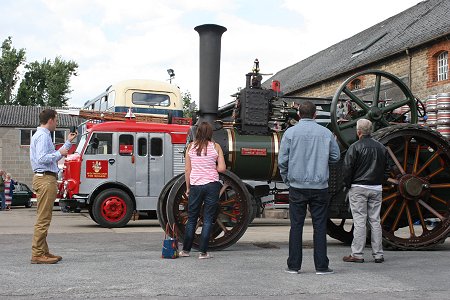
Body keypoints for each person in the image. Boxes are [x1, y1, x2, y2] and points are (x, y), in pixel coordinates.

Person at [278, 101, 340, 275]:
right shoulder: (326, 133)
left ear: (298, 114)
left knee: (296, 226)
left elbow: (282, 161)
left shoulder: (290, 133)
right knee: (319, 226)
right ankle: (321, 266)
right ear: (315, 115)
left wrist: (287, 179)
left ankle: (293, 266)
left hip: (297, 186)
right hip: (320, 186)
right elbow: (335, 157)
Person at [30, 109, 77, 264]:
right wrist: (60, 153)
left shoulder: (41, 135)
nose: (57, 123)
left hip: (43, 178)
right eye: (56, 120)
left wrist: (67, 144)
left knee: (44, 217)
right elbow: (43, 158)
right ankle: (37, 254)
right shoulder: (43, 136)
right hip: (45, 179)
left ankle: (43, 251)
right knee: (43, 218)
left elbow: (48, 156)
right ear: (50, 120)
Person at [342, 119, 389, 264]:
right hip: (376, 188)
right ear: (371, 131)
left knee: (360, 221)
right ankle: (378, 254)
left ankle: (357, 254)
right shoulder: (381, 148)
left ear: (358, 132)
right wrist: (380, 181)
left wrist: (348, 185)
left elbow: (347, 169)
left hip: (358, 188)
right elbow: (388, 169)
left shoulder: (355, 147)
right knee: (375, 221)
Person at [178, 122, 226, 259]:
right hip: (212, 185)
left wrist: (188, 188)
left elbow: (187, 170)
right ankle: (203, 253)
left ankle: (186, 251)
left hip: (196, 185)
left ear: (197, 132)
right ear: (210, 133)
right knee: (208, 218)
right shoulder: (216, 147)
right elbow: (222, 168)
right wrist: (211, 168)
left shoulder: (190, 147)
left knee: (192, 218)